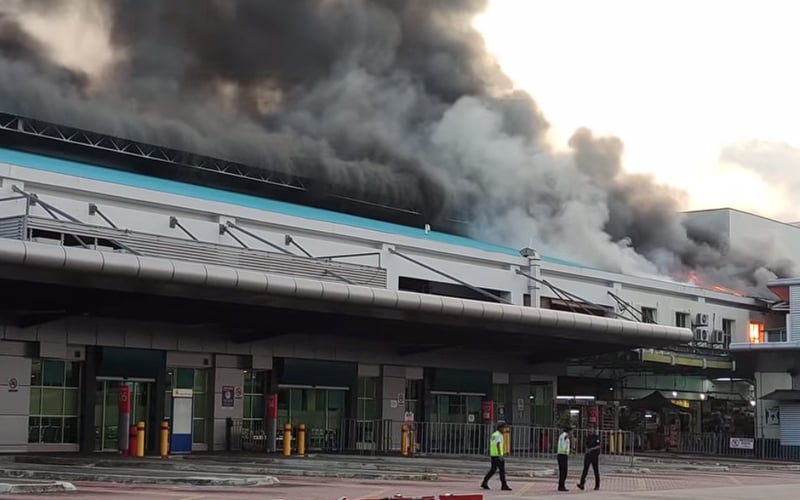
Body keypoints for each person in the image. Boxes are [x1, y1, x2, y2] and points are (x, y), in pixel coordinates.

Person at [481, 423, 512, 491]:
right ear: (500, 428)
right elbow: (498, 444)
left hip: (493, 454)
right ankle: (504, 485)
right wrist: (500, 455)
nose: (505, 430)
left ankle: (485, 482)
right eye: (504, 428)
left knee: (493, 469)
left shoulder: (494, 434)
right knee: (502, 470)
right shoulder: (499, 435)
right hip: (498, 455)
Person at [557, 425, 571, 492]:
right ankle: (562, 486)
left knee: (562, 471)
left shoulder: (562, 435)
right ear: (569, 431)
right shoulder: (565, 436)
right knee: (564, 472)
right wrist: (565, 451)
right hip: (563, 455)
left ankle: (561, 485)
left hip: (561, 455)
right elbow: (563, 445)